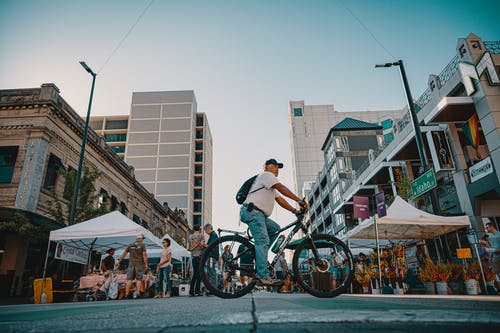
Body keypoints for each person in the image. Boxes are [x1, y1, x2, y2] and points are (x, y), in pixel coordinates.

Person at [239, 158, 307, 286]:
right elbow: (281, 188)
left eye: (278, 167)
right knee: (263, 240)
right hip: (252, 211)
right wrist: (300, 201)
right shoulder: (266, 175)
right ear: (265, 167)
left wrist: (294, 211)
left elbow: (280, 200)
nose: (277, 169)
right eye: (274, 166)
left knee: (275, 228)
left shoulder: (269, 185)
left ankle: (259, 255)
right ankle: (263, 275)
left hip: (259, 215)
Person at [116, 234, 148, 299]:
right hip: (139, 264)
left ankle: (126, 294)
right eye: (141, 239)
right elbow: (144, 254)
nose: (142, 240)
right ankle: (138, 293)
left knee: (129, 279)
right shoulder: (142, 245)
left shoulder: (130, 245)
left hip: (131, 264)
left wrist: (119, 261)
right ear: (138, 239)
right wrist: (146, 263)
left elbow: (124, 253)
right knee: (139, 279)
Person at [187, 225, 205, 296]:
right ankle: (197, 291)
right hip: (200, 257)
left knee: (195, 274)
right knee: (199, 274)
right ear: (199, 229)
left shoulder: (190, 237)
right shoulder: (201, 236)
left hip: (193, 257)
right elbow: (202, 245)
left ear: (193, 229)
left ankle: (191, 291)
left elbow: (187, 248)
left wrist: (193, 247)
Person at [204, 224, 219, 294]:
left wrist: (203, 245)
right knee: (211, 272)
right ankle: (211, 289)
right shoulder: (213, 235)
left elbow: (210, 245)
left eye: (205, 230)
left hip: (211, 256)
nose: (205, 232)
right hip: (212, 256)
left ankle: (212, 289)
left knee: (211, 272)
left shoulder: (213, 235)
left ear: (209, 229)